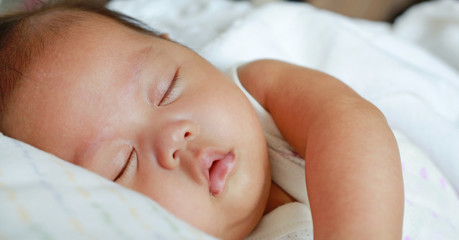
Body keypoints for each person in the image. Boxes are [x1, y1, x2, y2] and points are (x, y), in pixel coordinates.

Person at [0, 1, 404, 239]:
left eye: (168, 88)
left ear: (185, 52)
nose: (174, 136)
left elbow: (347, 120)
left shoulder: (259, 89)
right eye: (121, 165)